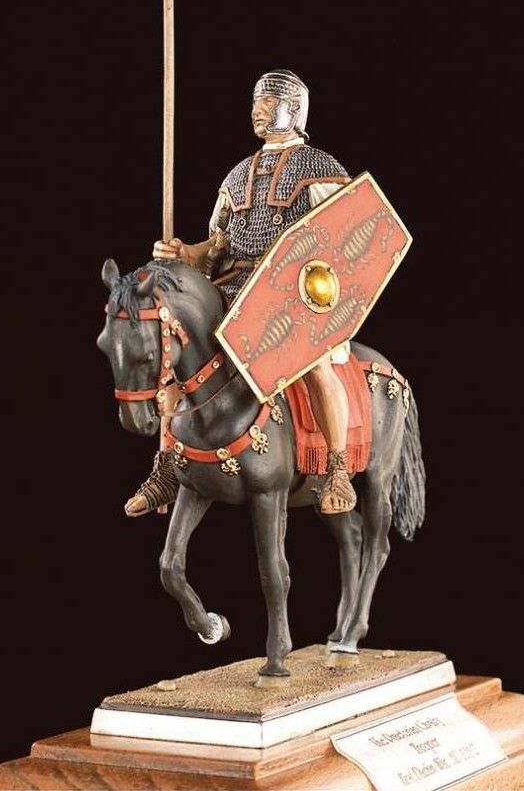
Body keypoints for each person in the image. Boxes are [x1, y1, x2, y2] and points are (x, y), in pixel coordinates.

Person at [124, 69, 359, 519]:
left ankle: (337, 468)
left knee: (315, 364)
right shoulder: (237, 176)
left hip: (294, 293)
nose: (258, 111)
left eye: (269, 103)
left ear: (294, 109)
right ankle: (167, 467)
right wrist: (183, 252)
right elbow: (218, 245)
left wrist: (308, 282)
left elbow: (343, 237)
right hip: (234, 289)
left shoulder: (319, 169)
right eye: (256, 102)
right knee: (177, 356)